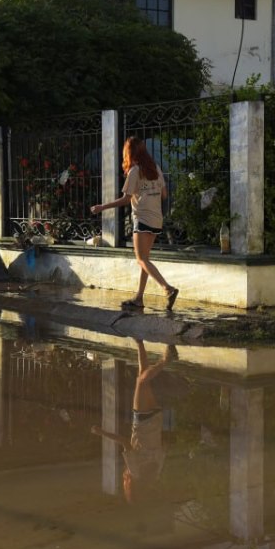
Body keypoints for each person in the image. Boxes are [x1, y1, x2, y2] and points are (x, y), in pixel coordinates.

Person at [90, 137, 179, 311]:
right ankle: (139, 298)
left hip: (142, 219)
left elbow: (126, 199)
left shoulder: (135, 171)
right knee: (145, 260)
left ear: (129, 153)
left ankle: (168, 289)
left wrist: (102, 207)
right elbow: (164, 195)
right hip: (156, 220)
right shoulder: (156, 168)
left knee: (141, 259)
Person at [91, 339, 174, 503]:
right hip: (142, 421)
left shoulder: (156, 473)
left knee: (142, 375)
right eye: (125, 487)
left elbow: (165, 446)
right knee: (141, 381)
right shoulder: (135, 471)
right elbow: (124, 442)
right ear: (131, 487)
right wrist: (101, 433)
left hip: (156, 420)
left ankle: (140, 343)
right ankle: (167, 359)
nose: (124, 484)